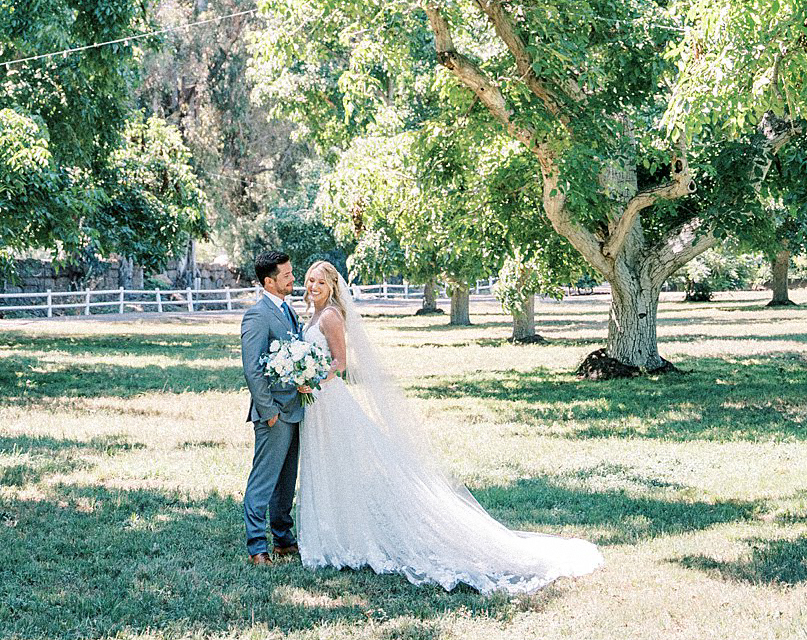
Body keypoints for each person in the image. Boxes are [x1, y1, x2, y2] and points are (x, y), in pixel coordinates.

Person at [294, 259, 602, 595]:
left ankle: (350, 537)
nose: (313, 287)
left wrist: (313, 378)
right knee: (330, 467)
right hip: (317, 403)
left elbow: (339, 361)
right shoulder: (312, 314)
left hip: (329, 399)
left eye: (320, 282)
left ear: (333, 287)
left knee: (344, 464)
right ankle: (336, 532)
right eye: (310, 281)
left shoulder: (330, 316)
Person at [239, 249, 307, 567]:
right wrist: (269, 412)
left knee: (286, 480)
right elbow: (253, 369)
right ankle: (257, 546)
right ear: (269, 281)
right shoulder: (257, 315)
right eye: (287, 275)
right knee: (264, 480)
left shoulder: (290, 311)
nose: (293, 278)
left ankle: (283, 540)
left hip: (296, 408)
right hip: (274, 413)